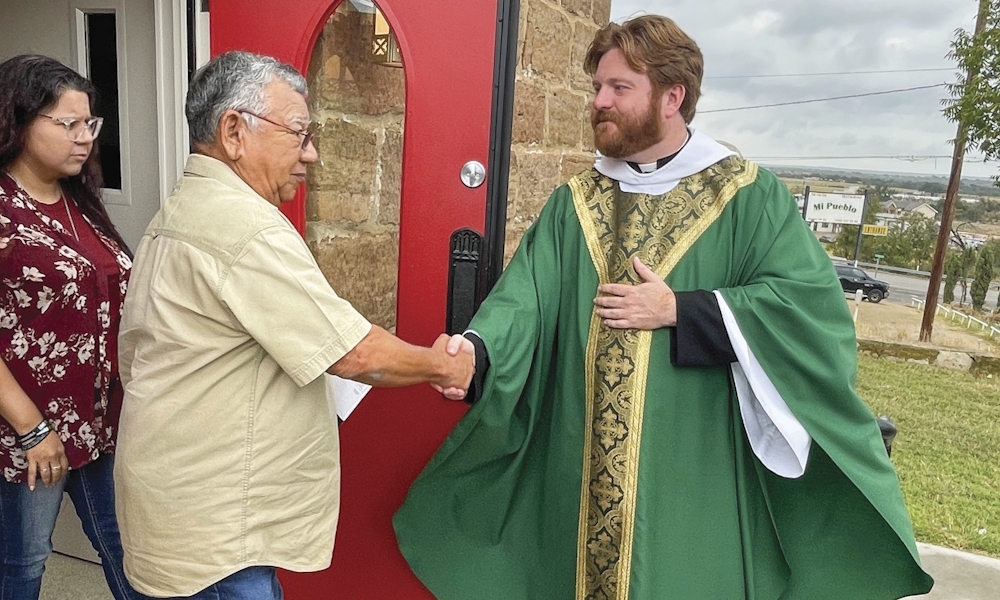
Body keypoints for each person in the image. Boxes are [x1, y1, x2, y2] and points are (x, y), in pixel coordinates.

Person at [394, 15, 934, 600]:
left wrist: (685, 308)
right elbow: (523, 300)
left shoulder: (747, 199)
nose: (599, 101)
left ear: (672, 97)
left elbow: (808, 312)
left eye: (619, 88)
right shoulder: (573, 205)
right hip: (578, 476)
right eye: (596, 87)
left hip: (694, 473)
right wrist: (476, 353)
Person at [114, 51, 473, 600]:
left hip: (181, 506)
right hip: (219, 538)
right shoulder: (245, 226)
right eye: (299, 133)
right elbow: (354, 354)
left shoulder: (183, 211)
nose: (312, 153)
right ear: (234, 130)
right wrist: (445, 364)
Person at [0, 55, 148, 600]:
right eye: (68, 124)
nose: (84, 137)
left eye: (91, 124)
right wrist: (33, 429)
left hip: (101, 419)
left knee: (124, 546)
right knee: (23, 563)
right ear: (19, 121)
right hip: (29, 432)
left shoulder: (80, 204)